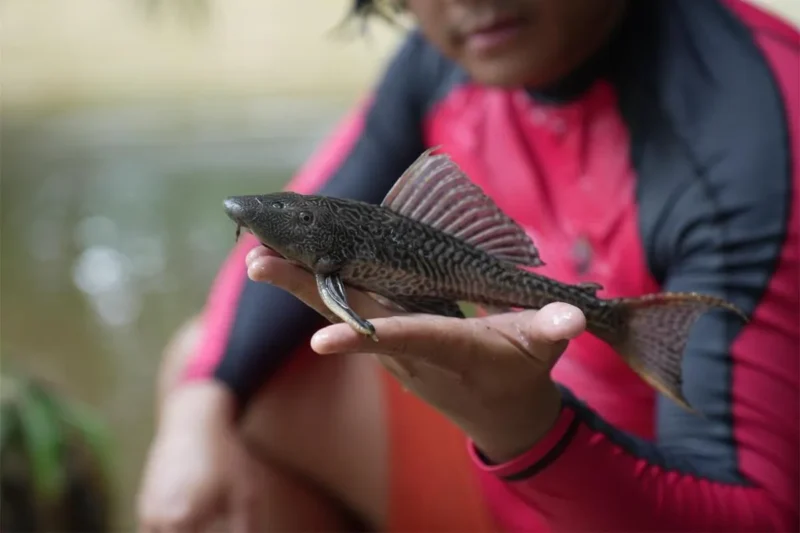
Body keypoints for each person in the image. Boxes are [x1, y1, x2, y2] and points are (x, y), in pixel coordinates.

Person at [137, 0, 800, 531]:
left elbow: (760, 514)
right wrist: (201, 401)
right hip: (498, 453)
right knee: (214, 375)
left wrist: (521, 423)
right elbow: (310, 202)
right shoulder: (447, 54)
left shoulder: (752, 130)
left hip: (624, 484)